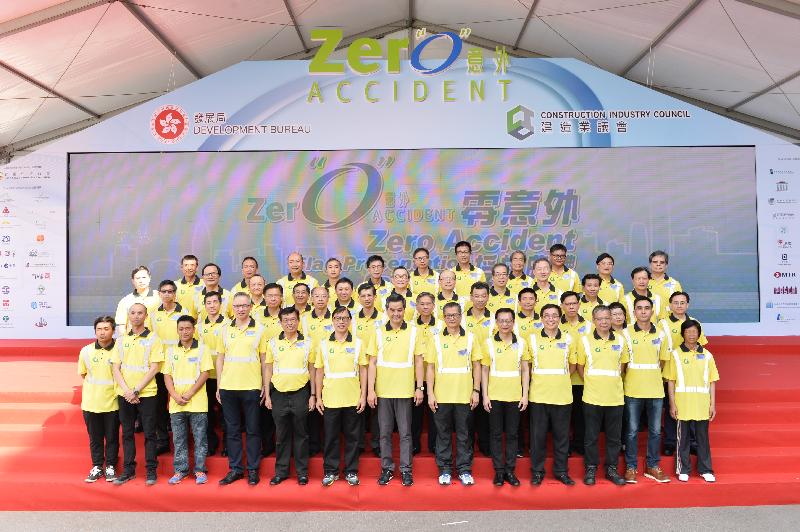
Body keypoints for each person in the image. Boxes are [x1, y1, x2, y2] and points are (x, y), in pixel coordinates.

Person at [367, 293, 426, 486]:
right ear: (386, 310)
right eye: (392, 310)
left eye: (399, 310)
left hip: (405, 391)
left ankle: (406, 470)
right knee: (384, 433)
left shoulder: (414, 332)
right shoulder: (377, 332)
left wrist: (419, 387)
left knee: (405, 433)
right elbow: (372, 363)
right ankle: (386, 469)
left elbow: (419, 361)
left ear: (404, 310)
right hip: (383, 391)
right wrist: (371, 390)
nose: (396, 314)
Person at [426, 301, 482, 486]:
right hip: (441, 396)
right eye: (448, 315)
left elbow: (477, 366)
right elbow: (431, 368)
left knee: (464, 434)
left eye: (455, 315)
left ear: (460, 316)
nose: (451, 318)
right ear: (443, 317)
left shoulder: (471, 338)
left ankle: (465, 470)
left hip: (465, 396)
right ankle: (445, 470)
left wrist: (476, 391)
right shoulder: (435, 339)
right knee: (443, 434)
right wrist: (430, 394)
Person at [315, 306, 371, 486]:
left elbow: (363, 370)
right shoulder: (323, 344)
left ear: (350, 321)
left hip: (352, 398)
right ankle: (330, 471)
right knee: (330, 437)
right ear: (332, 321)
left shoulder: (358, 343)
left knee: (352, 437)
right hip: (330, 399)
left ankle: (351, 471)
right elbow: (319, 372)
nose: (341, 321)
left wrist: (363, 395)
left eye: (345, 318)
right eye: (338, 318)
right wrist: (318, 397)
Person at [216, 292, 267, 486]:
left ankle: (253, 470)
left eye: (244, 305)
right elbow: (220, 358)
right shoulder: (224, 329)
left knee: (253, 430)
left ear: (251, 307)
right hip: (228, 387)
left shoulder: (260, 329)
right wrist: (219, 385)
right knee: (232, 430)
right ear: (232, 308)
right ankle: (235, 469)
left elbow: (264, 360)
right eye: (237, 306)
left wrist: (263, 384)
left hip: (251, 386)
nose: (241, 309)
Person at [111, 303, 163, 485]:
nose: (136, 316)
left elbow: (155, 367)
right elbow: (115, 368)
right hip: (125, 394)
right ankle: (128, 470)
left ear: (146, 315)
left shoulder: (154, 339)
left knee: (149, 433)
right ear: (128, 316)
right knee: (126, 433)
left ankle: (151, 471)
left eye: (140, 313)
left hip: (146, 393)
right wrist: (126, 390)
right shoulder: (121, 340)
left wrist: (136, 390)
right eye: (132, 313)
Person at [576, 305, 629, 487]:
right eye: (600, 319)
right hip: (592, 397)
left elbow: (622, 368)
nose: (604, 322)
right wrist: (593, 382)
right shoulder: (584, 341)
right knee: (591, 437)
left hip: (615, 398)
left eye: (607, 318)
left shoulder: (621, 341)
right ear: (594, 321)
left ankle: (611, 469)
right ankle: (590, 468)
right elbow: (581, 368)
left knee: (614, 438)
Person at [263, 307, 316, 485]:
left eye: (293, 319)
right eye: (285, 320)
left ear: (298, 320)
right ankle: (281, 471)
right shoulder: (272, 343)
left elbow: (312, 369)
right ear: (280, 323)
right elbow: (268, 368)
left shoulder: (308, 342)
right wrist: (268, 394)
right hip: (278, 393)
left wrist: (313, 395)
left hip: (301, 392)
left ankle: (302, 472)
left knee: (302, 434)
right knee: (281, 435)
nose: (290, 323)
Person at [622, 296, 671, 484]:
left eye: (647, 308)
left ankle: (652, 466)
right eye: (639, 308)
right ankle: (631, 467)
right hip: (632, 390)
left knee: (655, 431)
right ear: (634, 312)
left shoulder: (660, 335)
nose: (643, 311)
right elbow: (623, 365)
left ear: (652, 311)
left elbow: (663, 361)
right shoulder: (625, 334)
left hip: (656, 390)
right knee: (632, 431)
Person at [665, 319, 719, 483]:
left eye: (694, 331)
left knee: (703, 438)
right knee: (683, 438)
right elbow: (671, 381)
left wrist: (712, 405)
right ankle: (683, 469)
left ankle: (706, 469)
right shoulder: (675, 354)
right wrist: (672, 404)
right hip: (683, 403)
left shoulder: (707, 355)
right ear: (683, 334)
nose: (691, 334)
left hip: (702, 404)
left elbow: (712, 381)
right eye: (688, 331)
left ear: (699, 334)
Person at [528, 304, 577, 486]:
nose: (550, 319)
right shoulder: (532, 340)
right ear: (541, 319)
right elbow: (527, 367)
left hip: (562, 396)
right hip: (539, 396)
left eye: (554, 316)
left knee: (562, 437)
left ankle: (561, 471)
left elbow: (572, 366)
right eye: (547, 316)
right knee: (538, 437)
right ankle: (537, 471)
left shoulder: (569, 339)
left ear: (559, 317)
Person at [482, 307, 530, 486]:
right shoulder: (488, 343)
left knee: (512, 435)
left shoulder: (522, 343)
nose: (505, 324)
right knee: (495, 434)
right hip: (494, 396)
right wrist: (485, 395)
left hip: (515, 396)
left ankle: (510, 470)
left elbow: (525, 370)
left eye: (508, 321)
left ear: (513, 322)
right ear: (496, 323)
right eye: (501, 321)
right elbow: (485, 370)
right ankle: (499, 471)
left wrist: (525, 395)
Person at [163, 315, 213, 485]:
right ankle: (180, 470)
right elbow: (167, 376)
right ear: (177, 330)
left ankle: (200, 470)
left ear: (194, 329)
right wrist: (175, 396)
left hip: (198, 402)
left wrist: (190, 393)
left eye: (188, 328)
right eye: (181, 329)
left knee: (200, 438)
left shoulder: (202, 349)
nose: (184, 332)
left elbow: (205, 373)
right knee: (179, 439)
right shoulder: (170, 351)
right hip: (176, 404)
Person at [657, 291, 708, 456]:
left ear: (688, 305)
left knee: (691, 407)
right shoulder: (662, 324)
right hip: (670, 372)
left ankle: (692, 442)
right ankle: (671, 442)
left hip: (691, 374)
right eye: (676, 303)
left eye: (682, 302)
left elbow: (702, 350)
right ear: (670, 305)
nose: (679, 306)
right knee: (672, 408)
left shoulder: (695, 323)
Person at [79, 316, 120, 483]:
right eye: (99, 329)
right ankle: (97, 466)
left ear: (113, 330)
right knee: (94, 438)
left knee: (112, 437)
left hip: (113, 402)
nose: (102, 333)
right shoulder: (86, 351)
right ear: (95, 331)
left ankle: (110, 465)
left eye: (106, 329)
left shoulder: (120, 349)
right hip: (90, 402)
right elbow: (83, 373)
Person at [150, 279, 184, 455]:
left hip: (179, 367)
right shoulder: (153, 315)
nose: (167, 294)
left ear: (175, 294)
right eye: (164, 291)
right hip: (159, 367)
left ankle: (183, 441)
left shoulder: (183, 313)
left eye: (170, 291)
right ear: (159, 294)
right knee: (158, 406)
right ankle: (162, 440)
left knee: (179, 403)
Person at [559, 291, 590, 456]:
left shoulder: (590, 325)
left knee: (581, 416)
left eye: (574, 303)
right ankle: (566, 447)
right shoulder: (556, 325)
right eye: (567, 304)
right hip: (562, 381)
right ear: (562, 306)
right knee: (564, 418)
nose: (571, 307)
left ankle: (579, 443)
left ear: (579, 304)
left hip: (583, 380)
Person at [196, 291, 226, 457]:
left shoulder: (229, 324)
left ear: (220, 304)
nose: (212, 305)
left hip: (224, 376)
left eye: (215, 302)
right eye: (209, 302)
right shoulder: (199, 327)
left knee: (225, 413)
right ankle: (210, 443)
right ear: (205, 305)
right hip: (205, 377)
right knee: (205, 413)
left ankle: (227, 445)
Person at [412, 291, 439, 454]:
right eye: (422, 304)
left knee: (436, 413)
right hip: (415, 377)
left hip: (437, 377)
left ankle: (434, 445)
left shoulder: (442, 326)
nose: (425, 306)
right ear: (417, 306)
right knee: (415, 414)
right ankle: (414, 445)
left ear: (434, 306)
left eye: (428, 303)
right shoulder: (410, 326)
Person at [114, 266, 159, 336]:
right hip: (134, 342)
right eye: (138, 278)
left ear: (149, 278)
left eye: (144, 277)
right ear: (133, 281)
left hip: (156, 341)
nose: (141, 281)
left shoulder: (159, 296)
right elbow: (122, 327)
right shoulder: (125, 301)